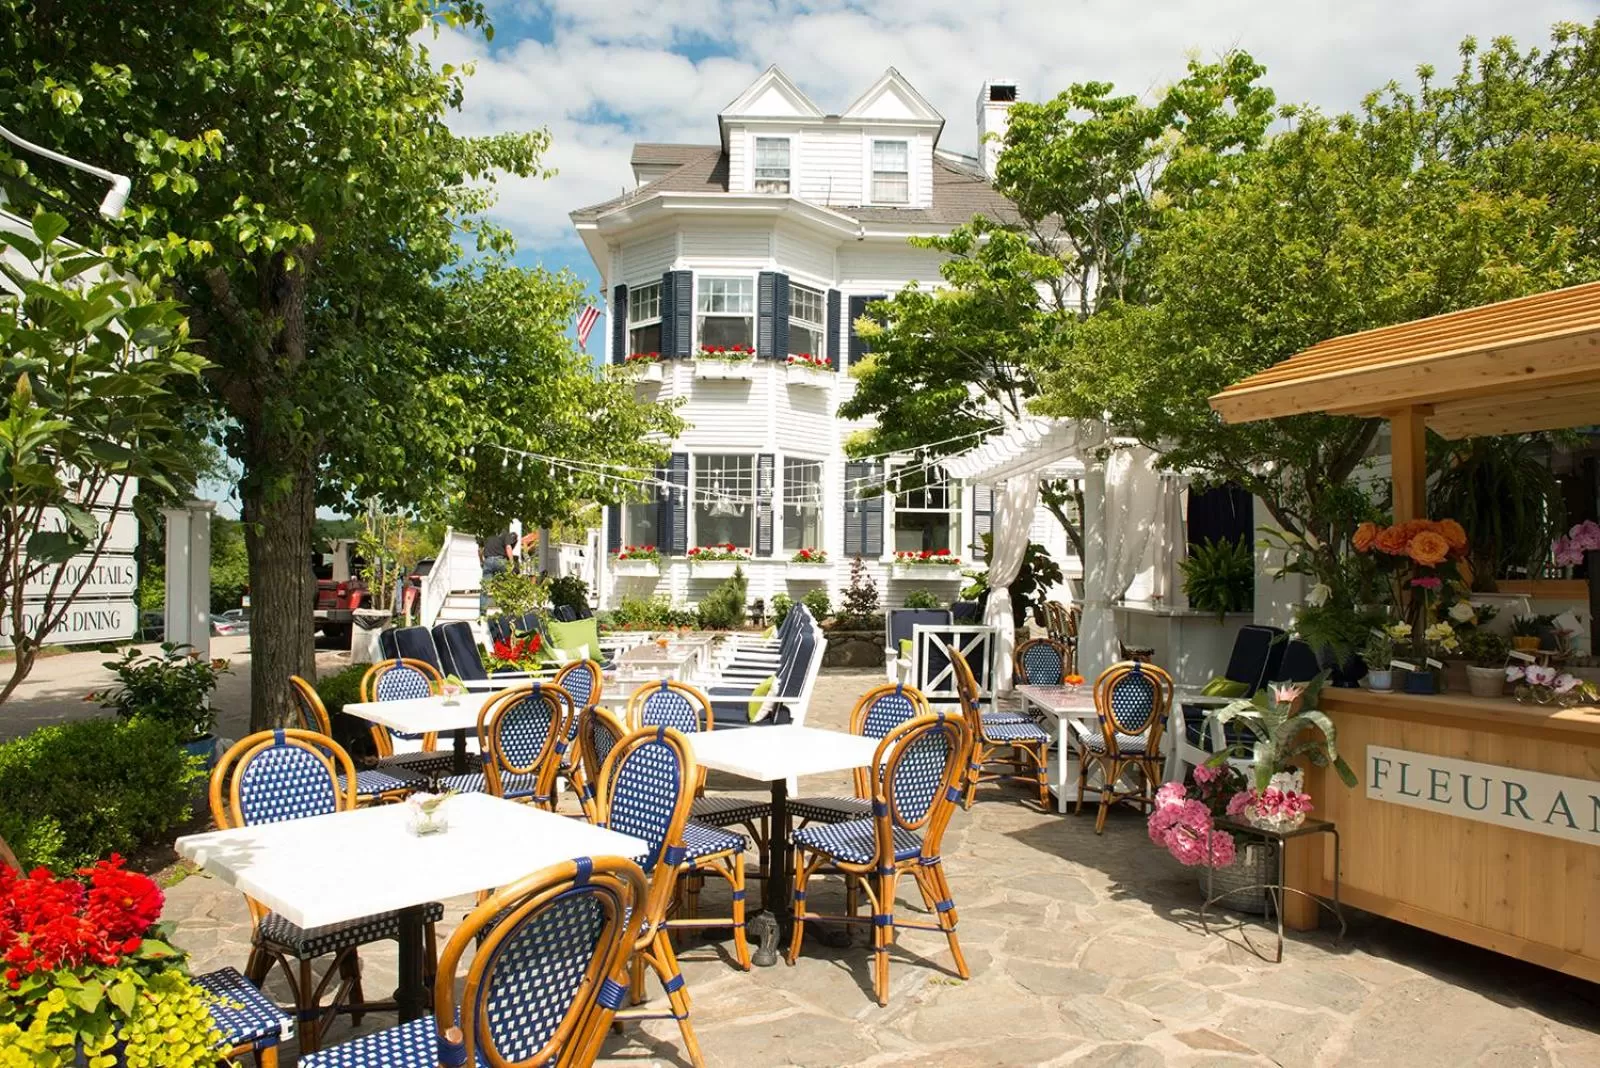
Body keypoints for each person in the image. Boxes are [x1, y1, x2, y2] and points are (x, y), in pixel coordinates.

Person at [480, 522, 518, 617]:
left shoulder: (487, 534)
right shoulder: (505, 533)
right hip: (501, 561)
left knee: (485, 588)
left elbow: (480, 550)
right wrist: (512, 563)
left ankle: (482, 613)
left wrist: (481, 561)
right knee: (506, 586)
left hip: (488, 560)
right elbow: (508, 547)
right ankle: (506, 611)